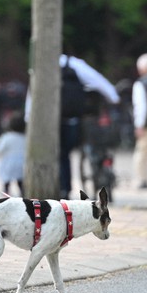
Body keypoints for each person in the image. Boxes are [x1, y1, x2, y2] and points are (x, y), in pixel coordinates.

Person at [57, 53, 119, 199]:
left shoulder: (45, 65)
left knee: (62, 155)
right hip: (73, 119)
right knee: (77, 149)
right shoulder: (74, 64)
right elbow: (98, 81)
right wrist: (114, 98)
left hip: (55, 120)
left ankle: (64, 188)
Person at [132, 53, 147, 190]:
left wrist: (139, 125)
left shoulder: (141, 83)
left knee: (141, 153)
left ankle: (142, 180)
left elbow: (141, 106)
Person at [0, 113, 26, 196]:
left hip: (8, 164)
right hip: (21, 164)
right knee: (20, 182)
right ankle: (23, 195)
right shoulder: (25, 138)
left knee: (6, 182)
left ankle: (6, 195)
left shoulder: (7, 137)